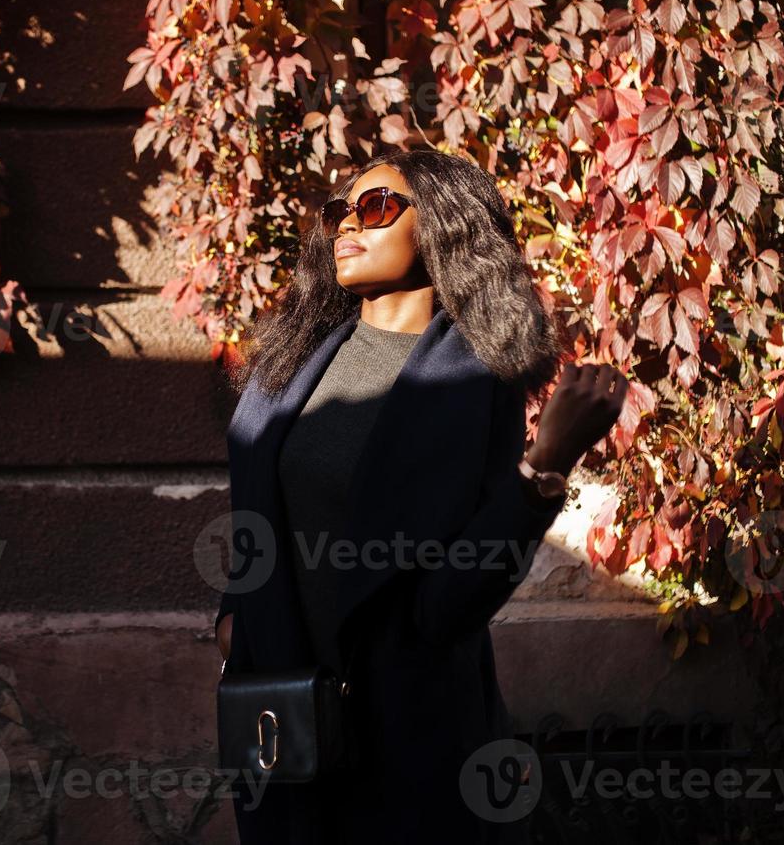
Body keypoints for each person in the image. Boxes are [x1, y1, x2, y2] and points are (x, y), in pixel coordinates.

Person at [214, 146, 627, 843]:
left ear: (438, 224)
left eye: (374, 208)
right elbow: (260, 509)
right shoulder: (290, 363)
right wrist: (234, 622)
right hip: (281, 714)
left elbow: (453, 601)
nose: (347, 225)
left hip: (407, 725)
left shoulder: (471, 383)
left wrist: (547, 461)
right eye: (337, 211)